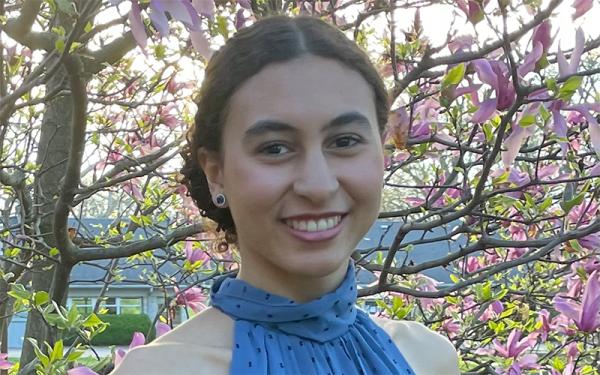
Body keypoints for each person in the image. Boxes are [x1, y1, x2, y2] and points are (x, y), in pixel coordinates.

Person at [111, 15, 460, 374]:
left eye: (344, 142)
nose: (318, 185)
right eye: (275, 148)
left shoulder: (429, 358)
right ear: (216, 174)